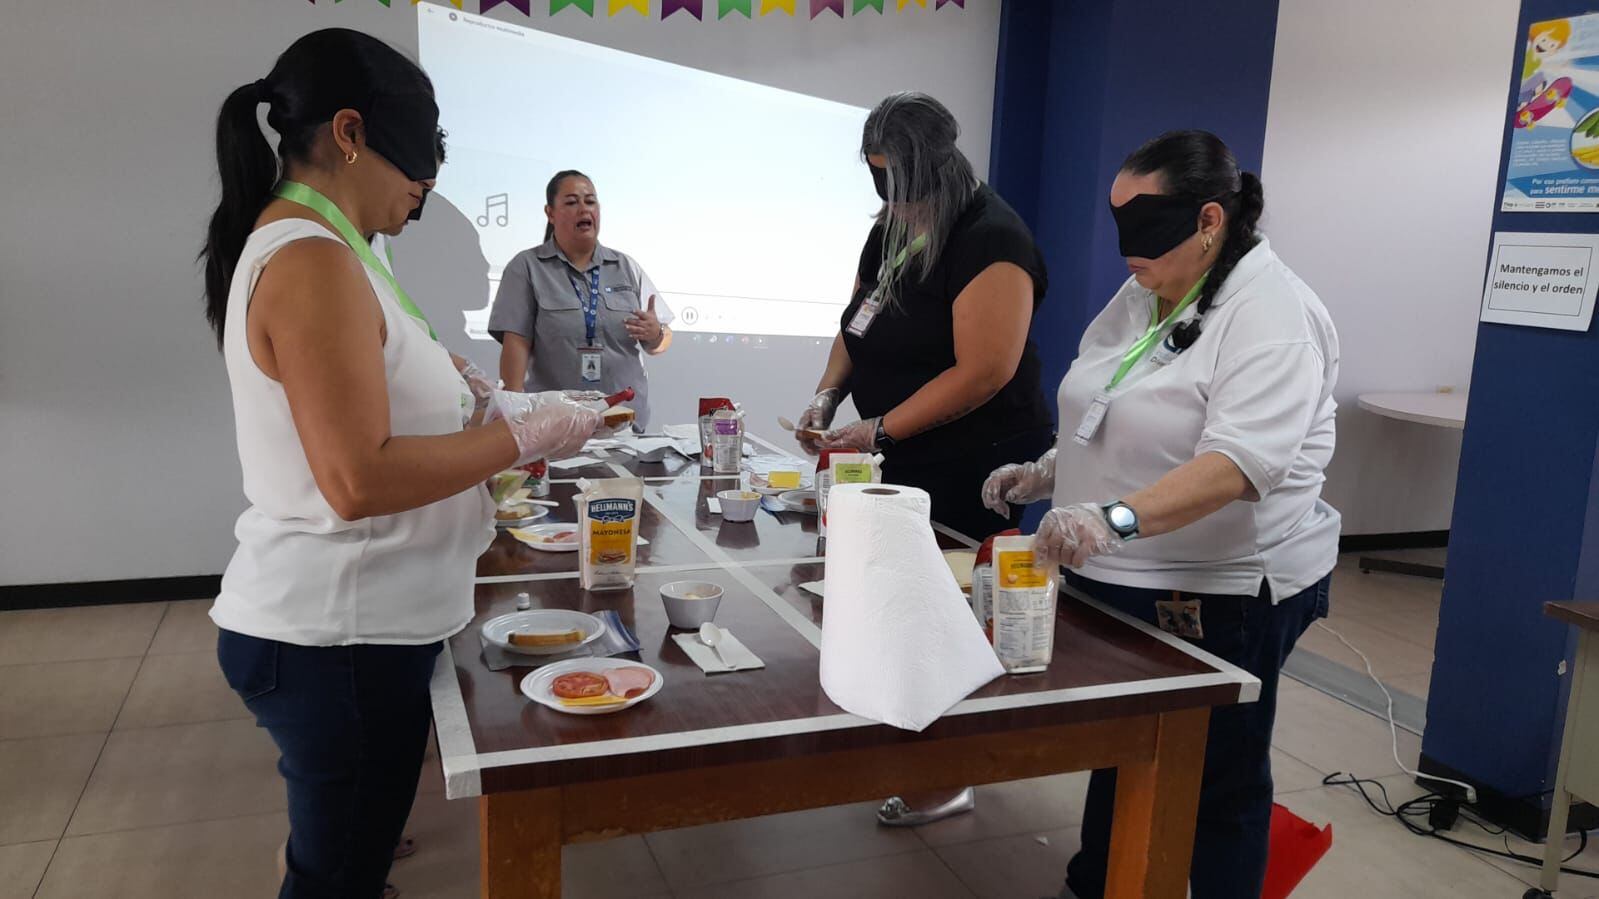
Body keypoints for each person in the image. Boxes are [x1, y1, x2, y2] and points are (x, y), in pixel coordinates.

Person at [198, 29, 601, 899]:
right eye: (417, 173)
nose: (422, 195)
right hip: (334, 636)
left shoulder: (339, 249)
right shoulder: (311, 260)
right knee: (337, 877)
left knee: (347, 856)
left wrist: (466, 396)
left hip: (357, 627)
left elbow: (372, 399)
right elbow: (358, 481)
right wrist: (526, 434)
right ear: (350, 133)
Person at [982, 130, 1340, 899]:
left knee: (1219, 773)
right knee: (1128, 740)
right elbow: (1104, 396)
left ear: (1209, 218)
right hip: (1125, 572)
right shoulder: (1151, 283)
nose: (1125, 252)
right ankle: (1101, 882)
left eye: (1142, 228)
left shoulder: (1273, 314)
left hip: (1224, 584)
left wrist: (1104, 520)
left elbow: (1234, 468)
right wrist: (1049, 471)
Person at [797, 91, 1054, 826]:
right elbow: (856, 323)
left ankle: (949, 771)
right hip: (900, 448)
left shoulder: (992, 237)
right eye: (877, 179)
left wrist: (877, 429)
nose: (889, 200)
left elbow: (984, 372)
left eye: (898, 183)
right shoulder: (890, 229)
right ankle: (906, 736)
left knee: (946, 615)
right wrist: (825, 400)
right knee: (895, 602)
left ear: (936, 167)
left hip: (978, 458)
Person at [490, 170, 673, 429]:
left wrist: (655, 334)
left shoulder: (625, 267)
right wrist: (515, 416)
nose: (584, 209)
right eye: (571, 202)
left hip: (625, 425)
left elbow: (662, 341)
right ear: (550, 213)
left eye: (590, 201)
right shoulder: (527, 267)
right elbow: (516, 345)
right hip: (553, 426)